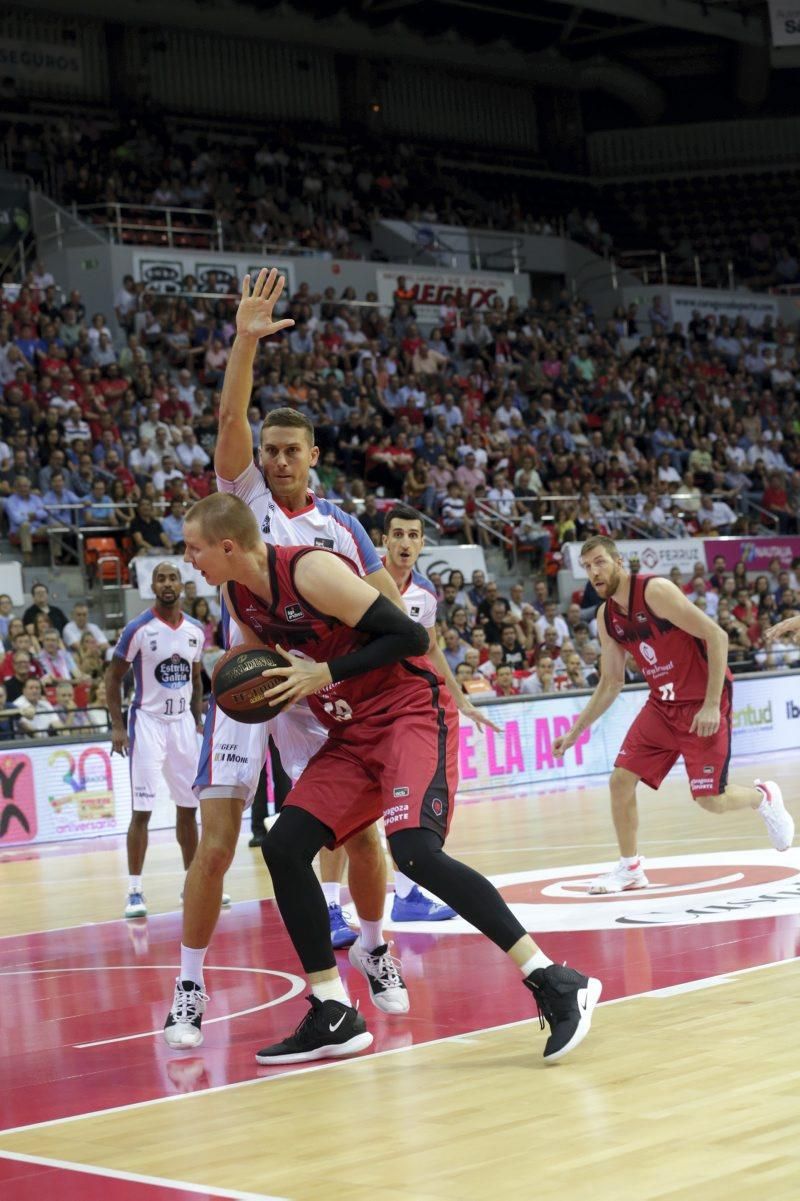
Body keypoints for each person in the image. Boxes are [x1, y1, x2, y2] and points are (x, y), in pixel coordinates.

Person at [175, 491, 601, 1065]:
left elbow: (411, 637)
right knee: (283, 846)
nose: (189, 560)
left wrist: (325, 670)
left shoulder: (311, 570)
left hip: (408, 713)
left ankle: (553, 978)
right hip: (349, 733)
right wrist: (253, 692)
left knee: (414, 852)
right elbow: (267, 667)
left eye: (193, 548)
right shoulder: (236, 593)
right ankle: (331, 1009)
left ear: (227, 545)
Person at [164, 267, 411, 1053]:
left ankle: (374, 945)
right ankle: (189, 986)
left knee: (361, 840)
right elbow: (231, 409)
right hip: (246, 684)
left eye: (287, 450)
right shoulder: (242, 498)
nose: (273, 460)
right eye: (267, 450)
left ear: (312, 454)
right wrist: (243, 339)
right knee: (216, 842)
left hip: (318, 698)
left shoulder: (343, 529)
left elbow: (392, 617)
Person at [553, 536, 794, 894]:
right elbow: (611, 682)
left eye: (600, 562)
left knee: (711, 800)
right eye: (587, 567)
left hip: (701, 702)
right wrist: (575, 732)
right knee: (620, 780)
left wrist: (712, 703)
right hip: (662, 706)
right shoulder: (607, 617)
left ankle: (765, 798)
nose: (594, 572)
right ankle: (630, 868)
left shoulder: (655, 591)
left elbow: (717, 636)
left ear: (618, 561)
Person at [106, 562, 213, 920]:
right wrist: (118, 727)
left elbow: (197, 679)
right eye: (161, 579)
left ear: (182, 585)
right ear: (152, 586)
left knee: (188, 808)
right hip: (148, 723)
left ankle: (192, 885)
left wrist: (197, 720)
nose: (167, 584)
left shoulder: (196, 631)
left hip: (183, 724)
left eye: (172, 578)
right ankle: (135, 890)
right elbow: (113, 678)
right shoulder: (138, 628)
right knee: (142, 811)